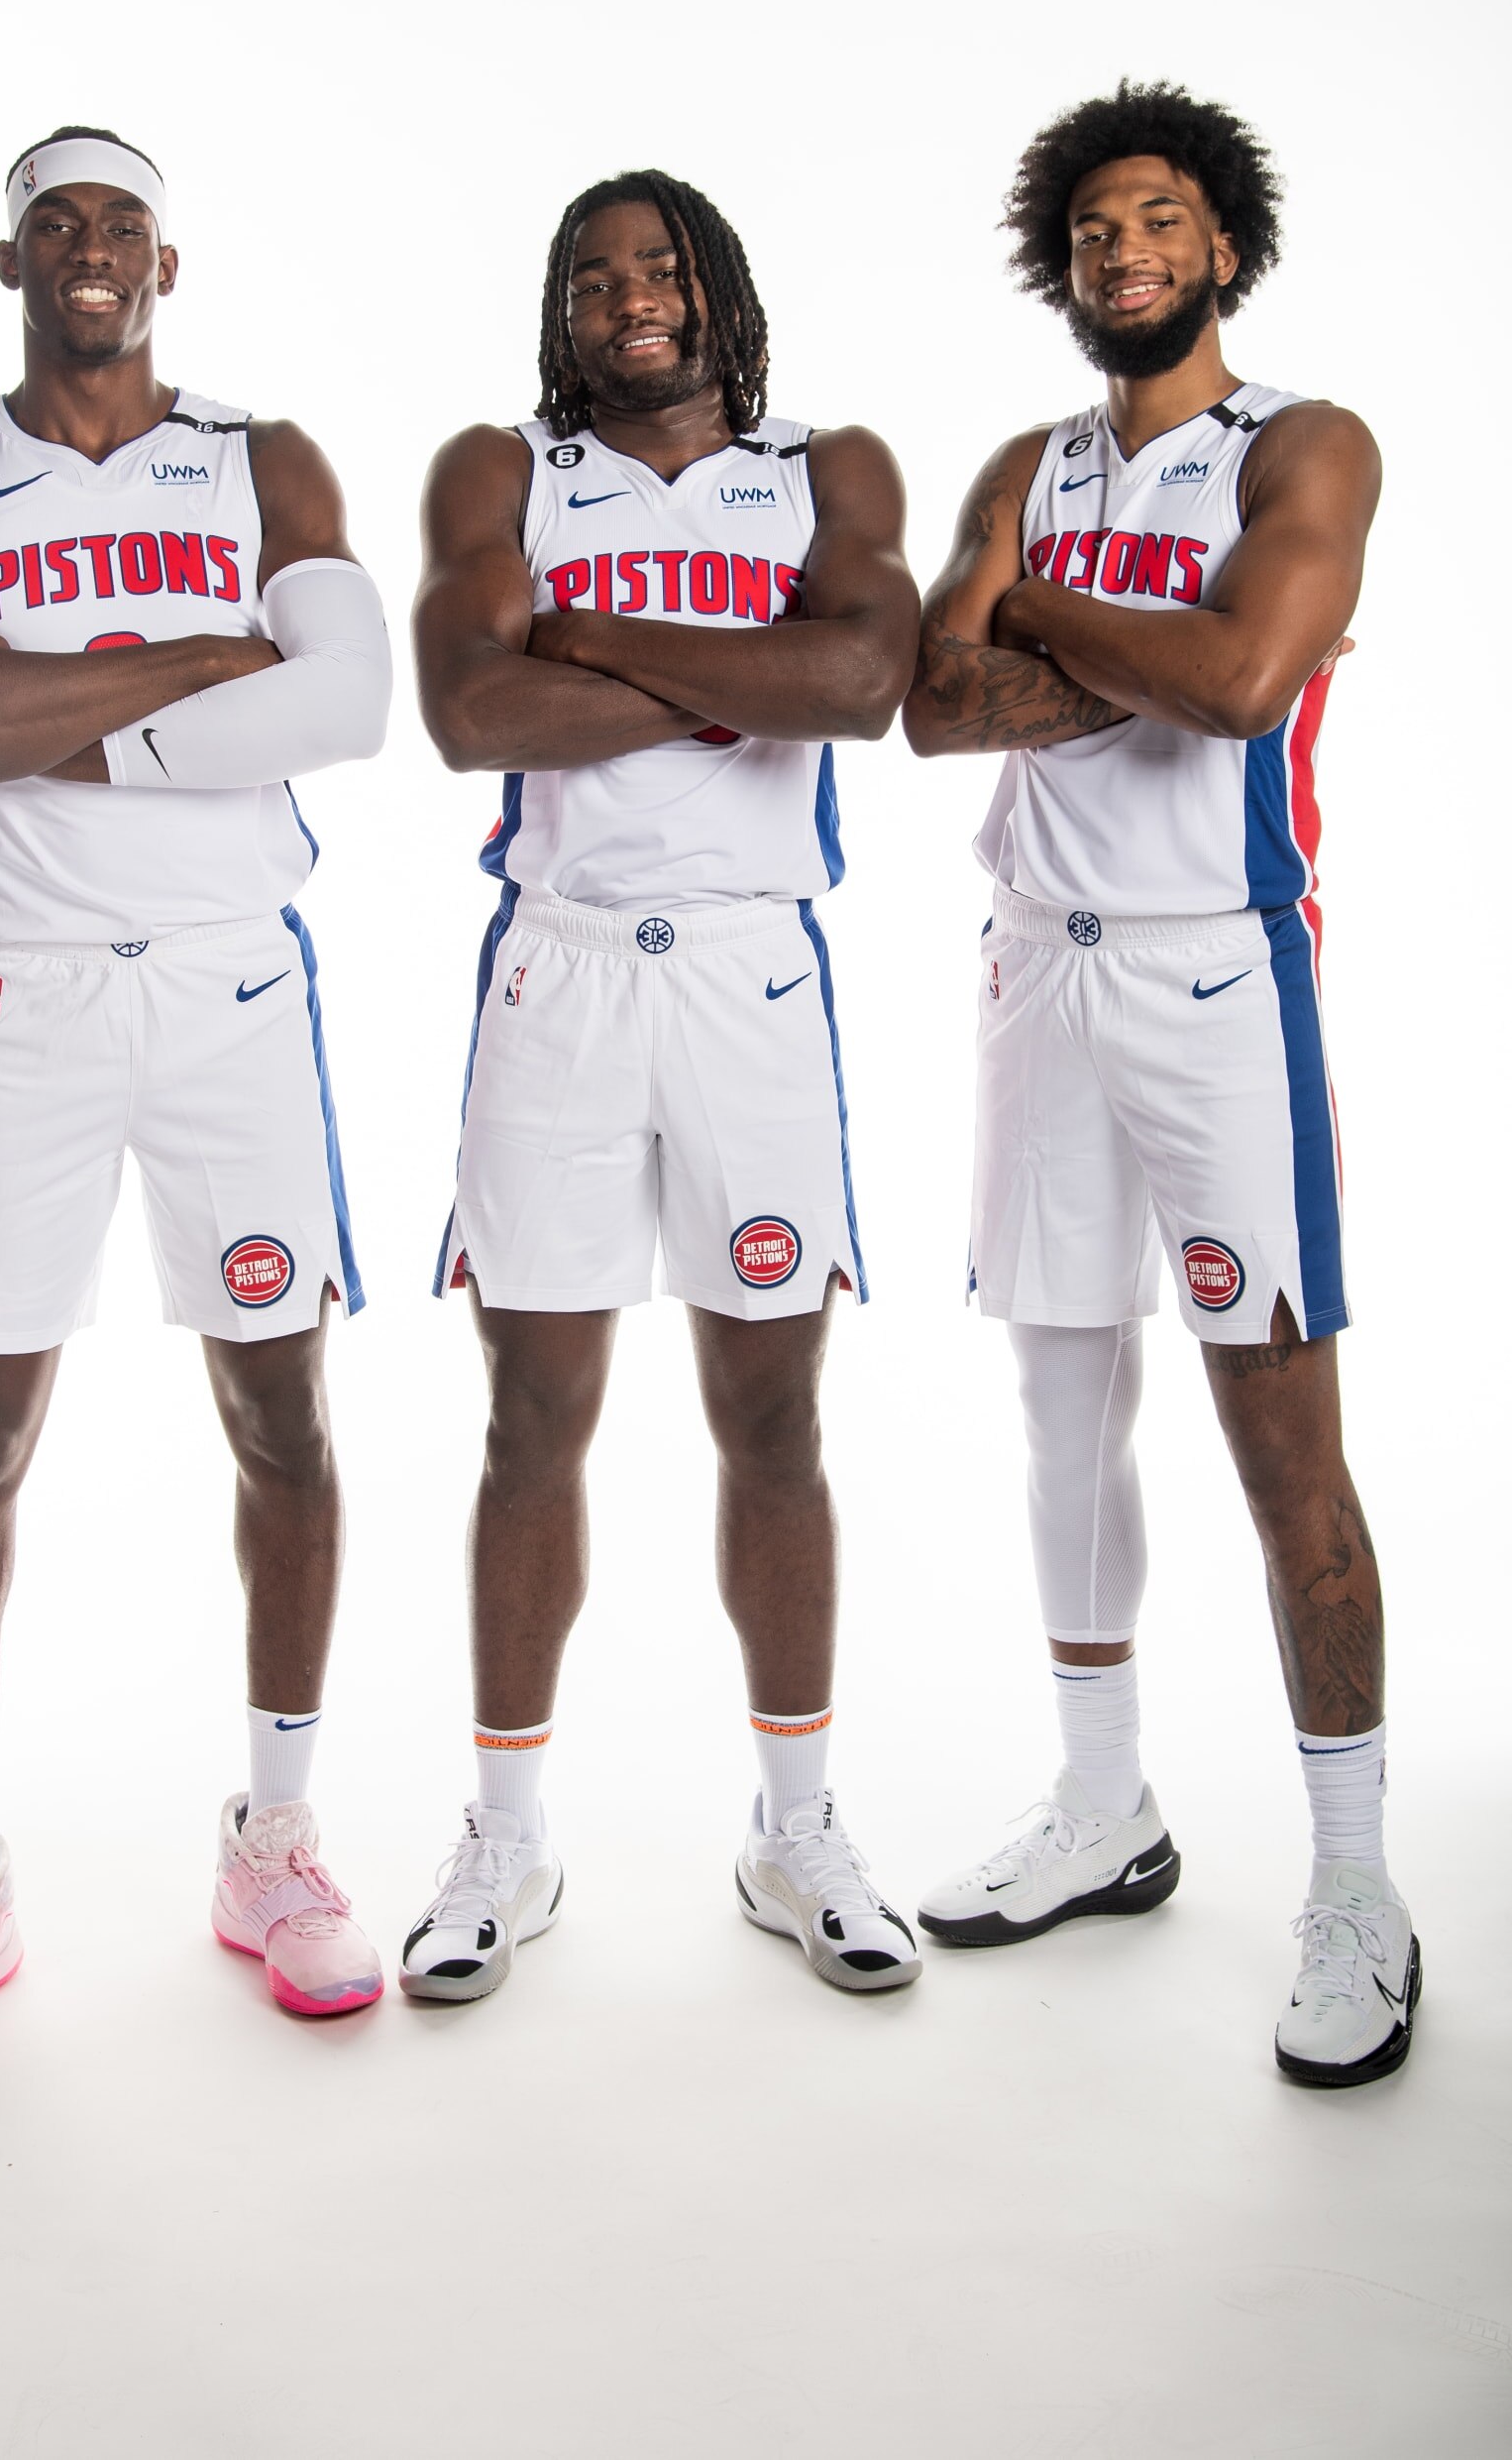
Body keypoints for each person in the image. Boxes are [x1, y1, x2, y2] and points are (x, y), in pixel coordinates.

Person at [0, 127, 392, 2072]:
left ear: (169, 264)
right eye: (55, 224)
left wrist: (43, 689)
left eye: (122, 226)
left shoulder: (266, 458)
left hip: (240, 994)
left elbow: (340, 705)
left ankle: (276, 1838)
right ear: (12, 263)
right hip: (31, 1003)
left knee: (281, 1410)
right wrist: (201, 659)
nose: (91, 251)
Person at [905, 82, 1416, 2084]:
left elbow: (1235, 687)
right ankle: (1106, 1806)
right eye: (1097, 226)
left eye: (1164, 220)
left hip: (1220, 982)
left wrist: (1039, 607)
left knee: (1285, 1448)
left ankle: (1359, 1883)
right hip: (1038, 976)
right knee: (1061, 1416)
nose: (1129, 248)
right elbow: (934, 717)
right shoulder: (1024, 460)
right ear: (1065, 264)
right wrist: (1129, 641)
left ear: (1221, 249)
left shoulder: (1303, 442)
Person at [400, 169, 922, 2003]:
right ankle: (507, 1844)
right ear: (560, 312)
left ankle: (798, 1830)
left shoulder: (829, 470)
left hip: (751, 974)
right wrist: (739, 678)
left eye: (662, 264)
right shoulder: (502, 473)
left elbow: (863, 681)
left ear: (719, 289)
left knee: (770, 1416)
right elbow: (471, 717)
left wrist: (593, 640)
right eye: (595, 273)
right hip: (557, 976)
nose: (632, 294)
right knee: (531, 1422)